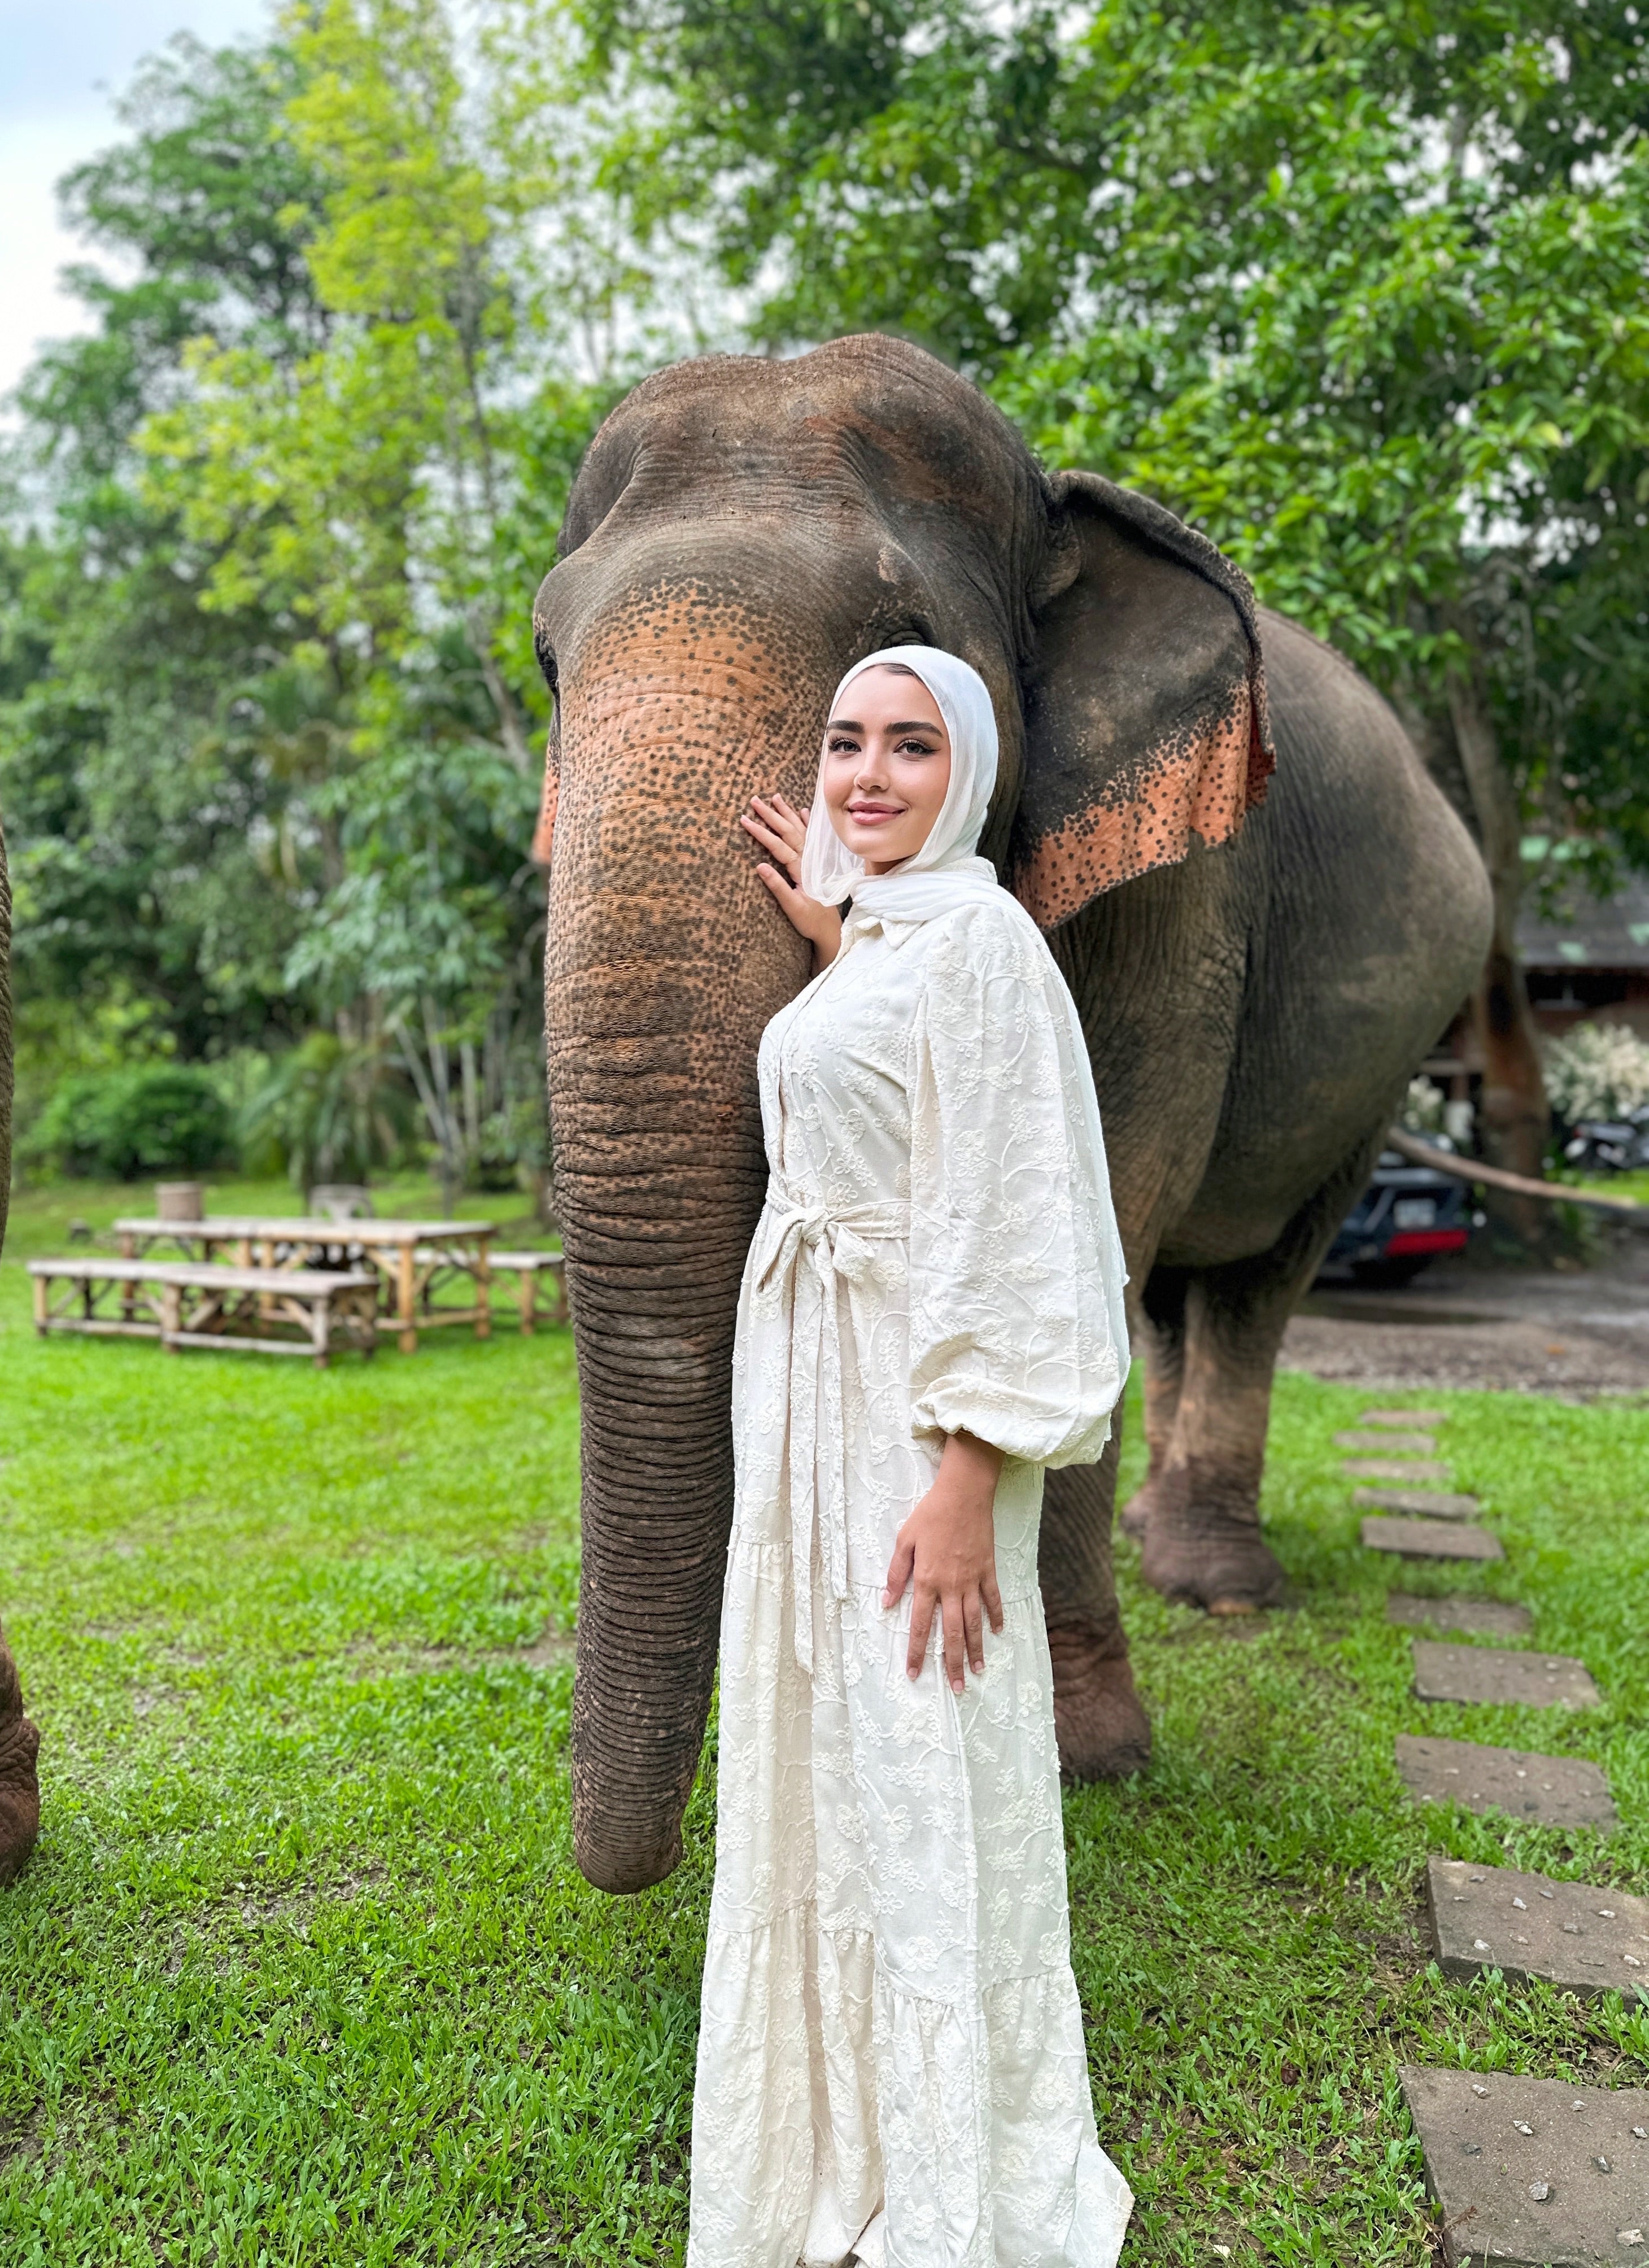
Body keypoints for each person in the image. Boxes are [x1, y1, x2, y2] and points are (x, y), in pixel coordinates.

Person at [687, 645, 1134, 2268]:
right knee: (832, 1755)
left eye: (914, 750)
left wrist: (968, 1475)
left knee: (927, 1757)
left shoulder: (989, 943)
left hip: (917, 1428)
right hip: (808, 1408)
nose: (870, 776)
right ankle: (836, 2129)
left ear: (978, 775)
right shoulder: (894, 939)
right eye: (845, 745)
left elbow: (1012, 1209)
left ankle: (948, 2175)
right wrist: (836, 943)